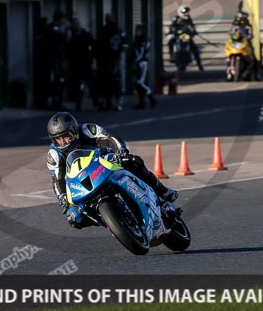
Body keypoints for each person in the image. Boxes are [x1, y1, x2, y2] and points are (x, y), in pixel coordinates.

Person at [46, 112, 178, 229]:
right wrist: (62, 197)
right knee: (74, 218)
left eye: (66, 136)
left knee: (132, 162)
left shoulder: (87, 130)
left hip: (105, 161)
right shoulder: (54, 154)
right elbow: (57, 179)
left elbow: (109, 137)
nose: (63, 142)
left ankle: (162, 192)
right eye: (58, 139)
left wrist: (120, 150)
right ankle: (112, 223)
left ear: (73, 131)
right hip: (83, 180)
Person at [97, 13, 125, 111]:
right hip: (113, 59)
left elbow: (99, 45)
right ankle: (115, 102)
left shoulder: (103, 31)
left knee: (106, 82)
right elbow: (121, 45)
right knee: (114, 81)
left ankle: (107, 102)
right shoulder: (117, 31)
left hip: (106, 60)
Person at [67, 17, 97, 112]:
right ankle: (78, 104)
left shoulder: (86, 35)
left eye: (78, 23)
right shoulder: (71, 37)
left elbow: (93, 46)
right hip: (76, 64)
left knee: (91, 84)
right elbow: (68, 49)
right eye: (75, 24)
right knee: (77, 85)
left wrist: (91, 57)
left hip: (86, 63)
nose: (76, 25)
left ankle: (95, 103)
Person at [168, 6, 204, 72]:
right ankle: (171, 56)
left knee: (195, 49)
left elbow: (192, 26)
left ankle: (200, 65)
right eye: (185, 12)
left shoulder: (189, 19)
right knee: (170, 42)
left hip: (187, 37)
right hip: (178, 36)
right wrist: (174, 31)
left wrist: (193, 31)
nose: (186, 14)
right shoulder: (176, 19)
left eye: (187, 12)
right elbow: (172, 27)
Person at [132, 24, 155, 109]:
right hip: (138, 63)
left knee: (140, 83)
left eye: (139, 30)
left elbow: (142, 53)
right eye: (136, 30)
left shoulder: (144, 41)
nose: (137, 32)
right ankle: (141, 102)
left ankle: (151, 97)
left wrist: (136, 61)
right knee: (137, 83)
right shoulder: (137, 40)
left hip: (142, 63)